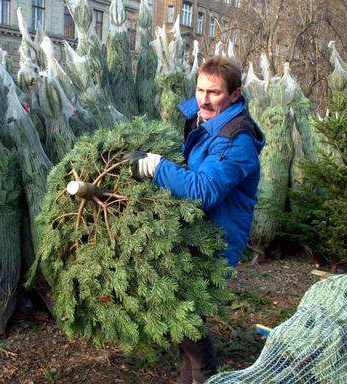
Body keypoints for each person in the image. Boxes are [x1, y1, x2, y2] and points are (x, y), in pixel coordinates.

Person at [134, 56, 265, 383]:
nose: (203, 99)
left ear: (235, 95)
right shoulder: (206, 113)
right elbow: (188, 120)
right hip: (196, 230)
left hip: (217, 239)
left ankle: (206, 377)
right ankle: (189, 378)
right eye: (200, 89)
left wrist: (157, 167)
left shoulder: (238, 140)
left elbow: (205, 190)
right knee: (182, 316)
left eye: (214, 92)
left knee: (188, 317)